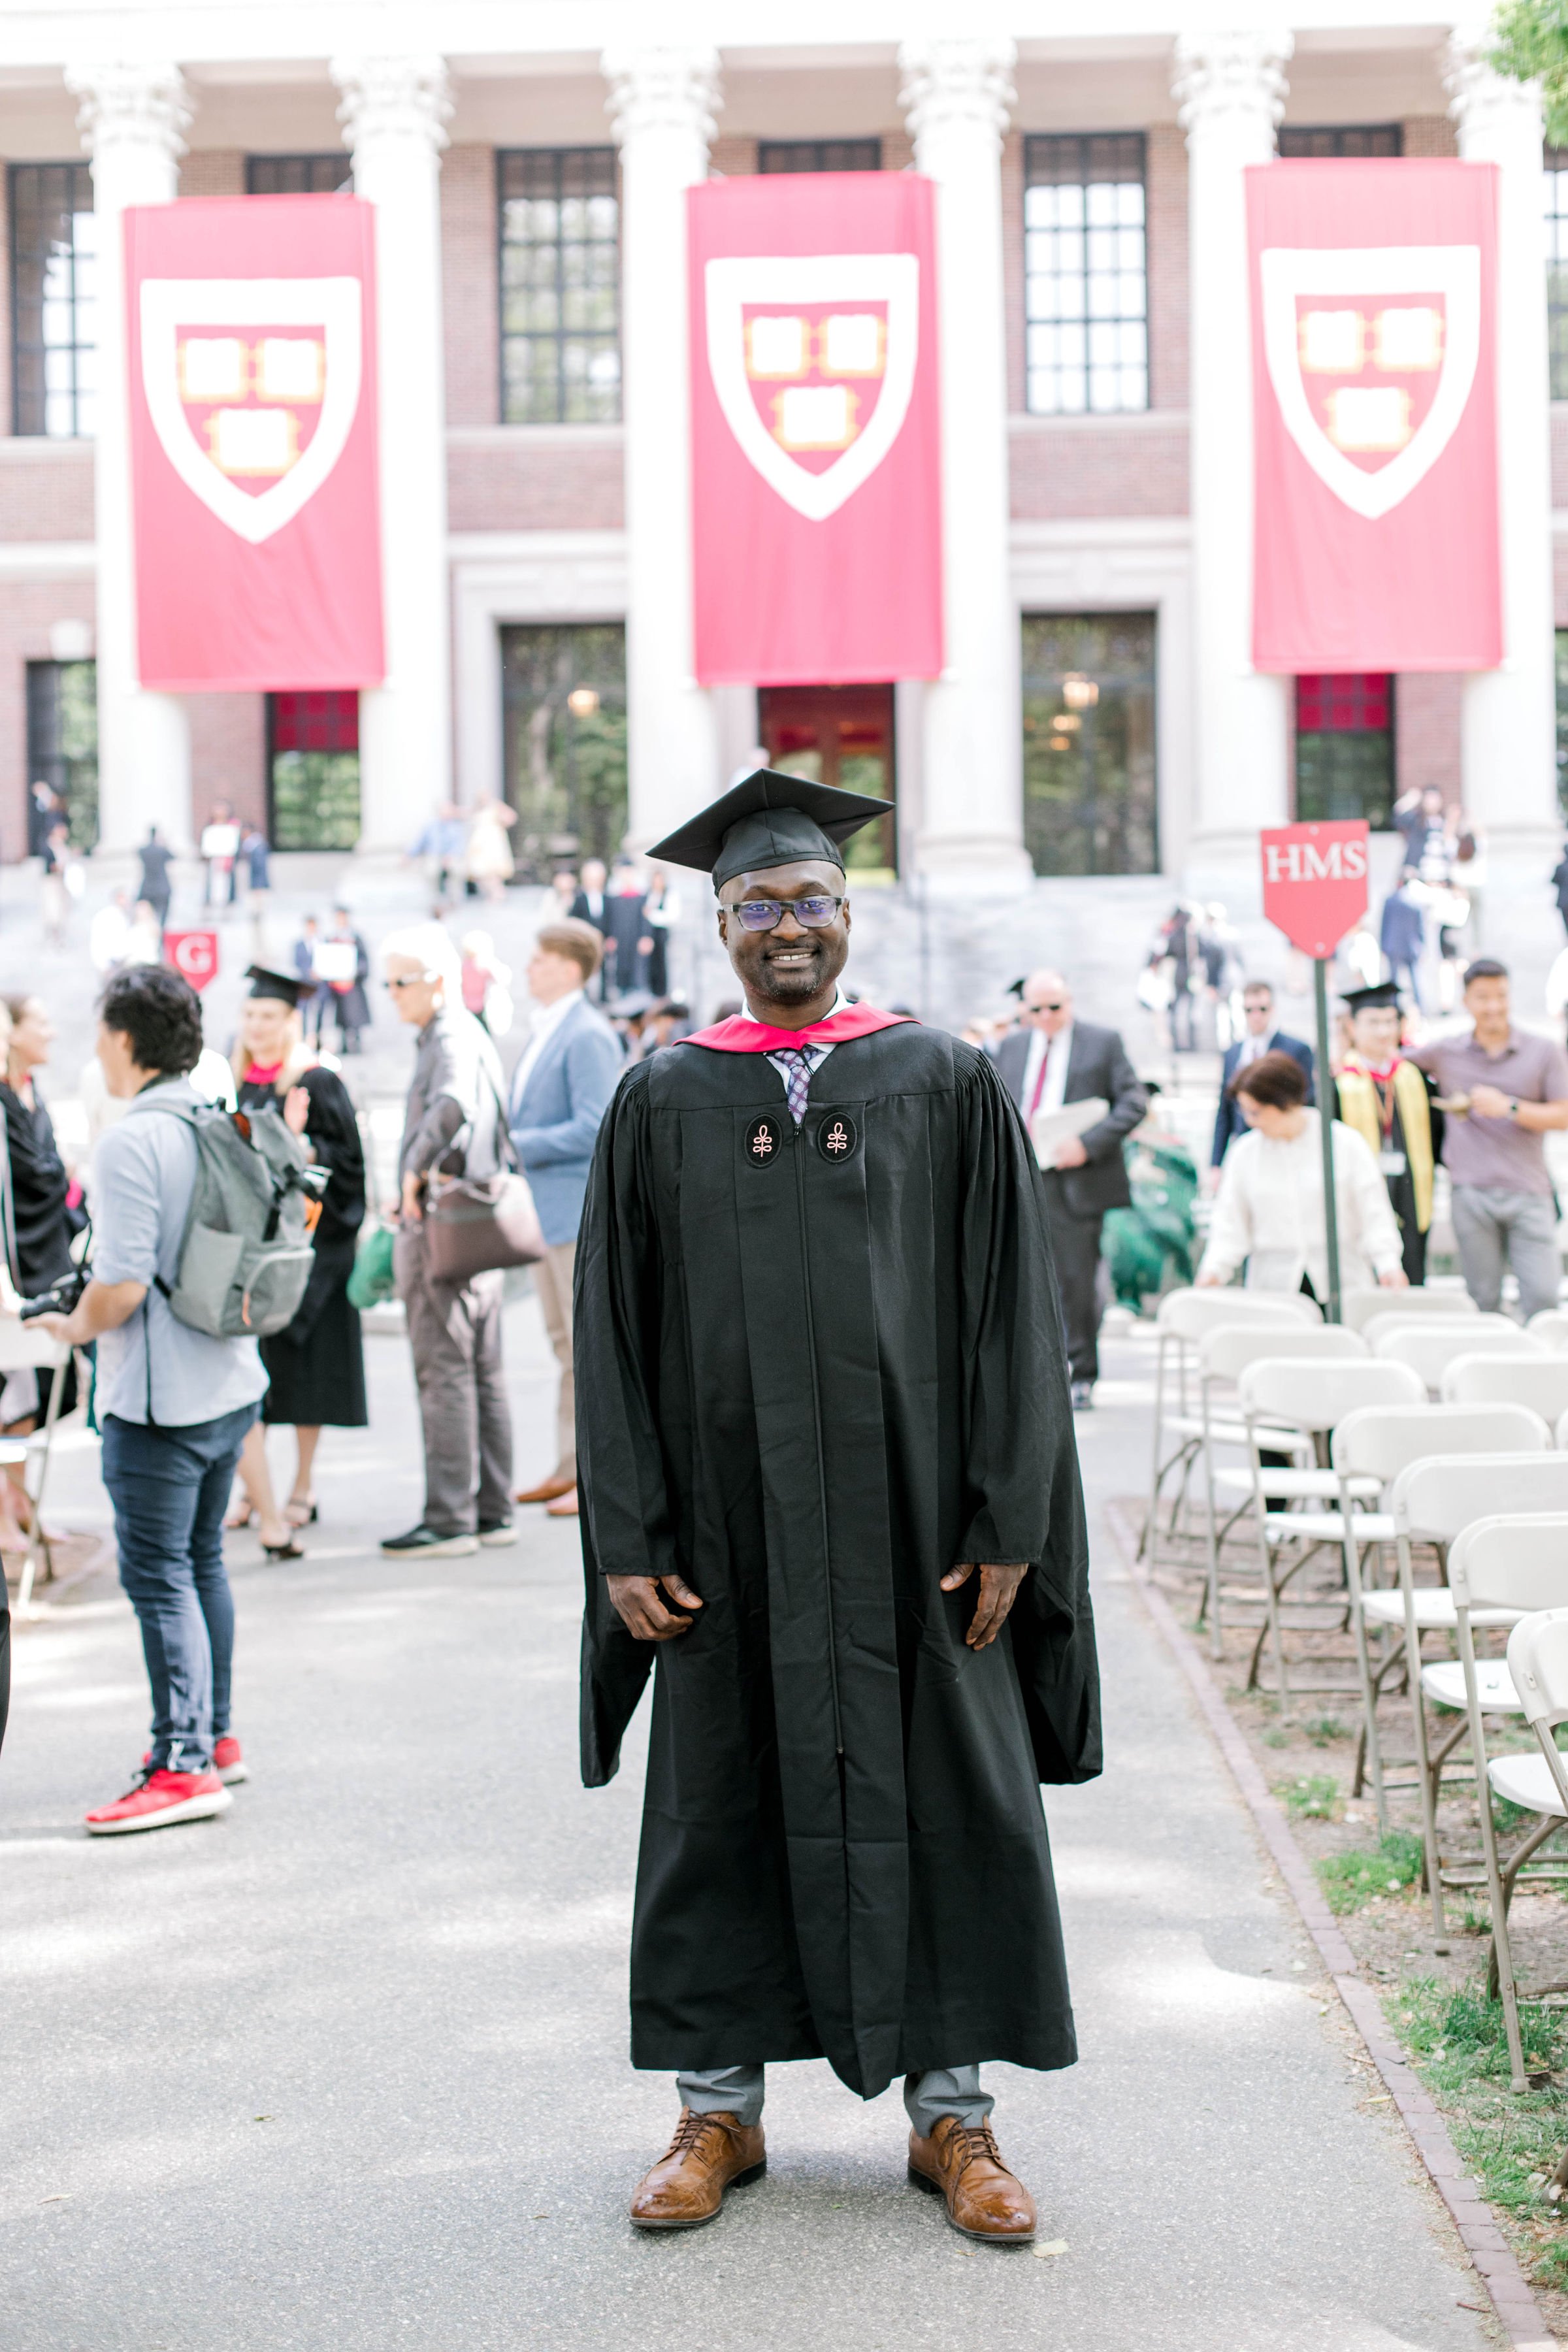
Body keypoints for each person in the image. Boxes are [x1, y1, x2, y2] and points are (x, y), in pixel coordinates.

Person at [578, 770, 1099, 2240]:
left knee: (944, 1796)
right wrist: (629, 1534)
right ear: (721, 923)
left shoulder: (938, 1078)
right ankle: (714, 2113)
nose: (787, 927)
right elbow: (610, 1331)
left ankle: (959, 2122)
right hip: (733, 1545)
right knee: (719, 1806)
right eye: (759, 905)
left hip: (918, 1533)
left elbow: (1017, 1318)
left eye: (811, 902)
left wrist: (1012, 1518)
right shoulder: (666, 1096)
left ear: (849, 916)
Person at [35, 966, 268, 1833]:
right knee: (200, 1562)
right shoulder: (215, 1116)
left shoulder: (132, 1139)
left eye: (101, 1035)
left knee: (161, 1576)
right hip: (230, 1385)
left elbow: (123, 1286)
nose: (96, 1050)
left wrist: (71, 1330)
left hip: (161, 1402)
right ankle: (214, 1739)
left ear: (126, 1042)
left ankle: (181, 1763)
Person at [382, 924, 514, 1556]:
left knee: (446, 1371)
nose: (390, 995)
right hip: (475, 1225)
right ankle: (490, 1511)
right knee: (480, 1368)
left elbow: (454, 1104)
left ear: (436, 981)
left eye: (399, 982)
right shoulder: (469, 1032)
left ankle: (451, 1517)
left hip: (445, 1224)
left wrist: (412, 1171)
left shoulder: (452, 1034)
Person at [224, 968, 367, 1547]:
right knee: (248, 1375)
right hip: (251, 1251)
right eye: (251, 1016)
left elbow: (348, 1165)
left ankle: (302, 1484)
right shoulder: (236, 1080)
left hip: (310, 1252)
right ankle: (252, 1489)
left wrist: (300, 1142)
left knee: (308, 1372)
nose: (257, 1026)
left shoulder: (314, 1080)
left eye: (269, 1017)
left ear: (290, 1021)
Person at [506, 919, 621, 1517]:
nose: (530, 968)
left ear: (569, 968)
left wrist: (514, 1144)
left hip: (576, 1211)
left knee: (584, 1351)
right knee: (563, 1347)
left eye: (539, 959)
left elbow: (596, 1121)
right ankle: (566, 1466)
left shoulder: (586, 1035)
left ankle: (592, 1480)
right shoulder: (550, 1029)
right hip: (548, 1213)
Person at [994, 968, 1147, 1410]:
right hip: (1024, 1170)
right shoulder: (1014, 1045)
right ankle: (1034, 1369)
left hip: (1076, 1178)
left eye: (1054, 1007)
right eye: (1036, 1009)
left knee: (1076, 1280)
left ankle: (1080, 1373)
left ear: (1070, 1003)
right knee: (1021, 1274)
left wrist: (1087, 1143)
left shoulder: (1103, 1042)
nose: (1046, 1016)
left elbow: (1133, 1102)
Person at [1407, 958, 1568, 1320]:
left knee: (1543, 1298)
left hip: (1530, 1192)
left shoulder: (1543, 1051)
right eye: (1483, 997)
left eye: (1501, 996)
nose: (1493, 1006)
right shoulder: (1445, 1052)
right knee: (1482, 1302)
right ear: (1466, 1000)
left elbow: (1563, 1115)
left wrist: (1510, 1107)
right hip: (1471, 1193)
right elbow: (1390, 1064)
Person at [1196, 1050, 1407, 1298]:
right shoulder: (1245, 1153)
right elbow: (1229, 1224)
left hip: (1341, 1282)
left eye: (1255, 1112)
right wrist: (1213, 1271)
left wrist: (1388, 1264)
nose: (1250, 1121)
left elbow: (1374, 1213)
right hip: (1274, 1287)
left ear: (1284, 1104)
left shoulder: (1343, 1144)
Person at [0, 992, 85, 1438]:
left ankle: (16, 1503)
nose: (51, 1032)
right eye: (41, 1022)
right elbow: (41, 1172)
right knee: (16, 1389)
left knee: (31, 1393)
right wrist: (60, 1172)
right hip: (16, 1261)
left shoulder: (30, 1091)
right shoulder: (5, 1100)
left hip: (44, 1255)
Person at [1333, 983, 1442, 1287]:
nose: (1383, 1031)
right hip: (1361, 1190)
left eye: (1390, 1022)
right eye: (1373, 1022)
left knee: (1412, 1266)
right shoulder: (1338, 1083)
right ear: (1352, 1027)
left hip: (1410, 1189)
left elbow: (1436, 1135)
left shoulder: (1414, 1076)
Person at [1211, 980, 1315, 1178]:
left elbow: (1306, 1101)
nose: (1256, 1016)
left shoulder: (1297, 1050)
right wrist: (1216, 1163)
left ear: (1272, 1009)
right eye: (1249, 1010)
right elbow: (1224, 1110)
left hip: (1283, 1147)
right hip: (1244, 1148)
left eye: (1262, 1009)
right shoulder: (1233, 1053)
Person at [321, 905, 370, 1055]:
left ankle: (356, 1041)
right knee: (340, 1015)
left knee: (354, 1015)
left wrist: (356, 971)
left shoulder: (355, 937)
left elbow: (364, 960)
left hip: (352, 983)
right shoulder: (331, 938)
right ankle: (343, 1042)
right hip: (336, 984)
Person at [1379, 877, 1426, 1012]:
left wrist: (1383, 946)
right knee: (1415, 980)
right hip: (1412, 946)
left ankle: (1393, 1006)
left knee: (1394, 980)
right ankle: (1421, 1007)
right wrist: (1422, 947)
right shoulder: (1416, 902)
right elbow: (1421, 928)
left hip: (1393, 946)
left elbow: (1384, 925)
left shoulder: (1391, 901)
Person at [570, 858, 612, 1000]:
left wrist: (609, 938)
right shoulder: (579, 899)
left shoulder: (608, 898)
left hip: (603, 941)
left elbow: (611, 920)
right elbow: (574, 920)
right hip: (585, 941)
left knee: (605, 970)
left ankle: (604, 997)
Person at [463, 796, 516, 903]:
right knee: (480, 872)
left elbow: (511, 817)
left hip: (492, 844)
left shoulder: (495, 807)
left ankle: (498, 894)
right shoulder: (477, 810)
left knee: (493, 871)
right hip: (479, 846)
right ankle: (494, 893)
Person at [641, 864, 679, 998]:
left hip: (661, 934)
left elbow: (671, 917)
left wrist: (652, 914)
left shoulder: (669, 894)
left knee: (662, 965)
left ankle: (662, 993)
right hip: (650, 934)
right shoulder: (649, 894)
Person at [293, 917, 329, 1045]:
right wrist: (308, 972)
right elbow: (297, 963)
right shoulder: (299, 944)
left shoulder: (324, 943)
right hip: (305, 983)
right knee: (303, 1012)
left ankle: (318, 1038)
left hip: (321, 983)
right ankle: (303, 1038)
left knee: (321, 1011)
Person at [200, 801, 240, 909]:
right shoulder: (211, 826)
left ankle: (229, 901)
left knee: (226, 881)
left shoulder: (233, 825)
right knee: (213, 882)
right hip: (214, 858)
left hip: (227, 858)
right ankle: (211, 901)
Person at [137, 826, 174, 935]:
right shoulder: (161, 850)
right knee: (162, 919)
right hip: (162, 889)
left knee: (146, 917)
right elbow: (173, 856)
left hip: (147, 889)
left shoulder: (143, 851)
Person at [90, 889, 133, 976]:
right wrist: (103, 965)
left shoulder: (126, 916)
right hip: (110, 963)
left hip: (123, 963)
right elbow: (97, 941)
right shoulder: (105, 916)